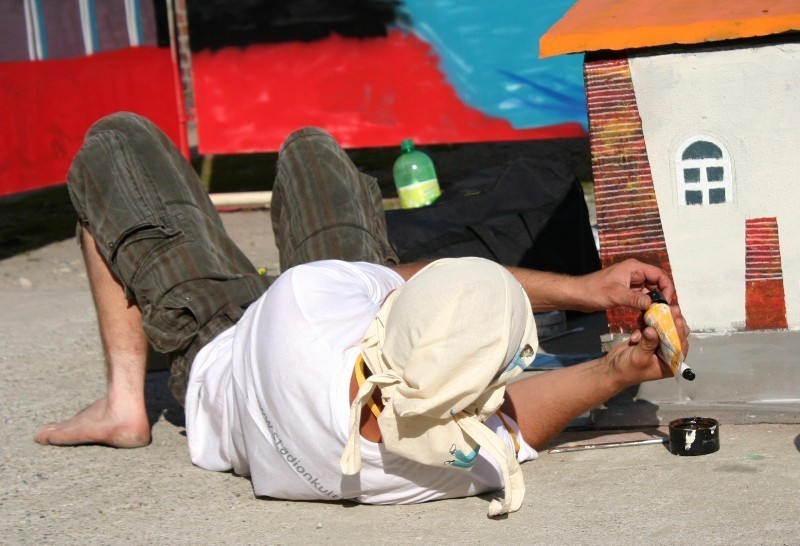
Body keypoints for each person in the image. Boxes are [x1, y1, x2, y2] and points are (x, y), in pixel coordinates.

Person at [34, 113, 688, 517]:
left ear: (392, 317)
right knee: (315, 155)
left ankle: (125, 405)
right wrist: (616, 368)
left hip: (222, 341)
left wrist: (584, 289)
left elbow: (409, 278)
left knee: (122, 141)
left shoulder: (303, 308)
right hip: (309, 349)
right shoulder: (433, 460)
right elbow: (521, 423)